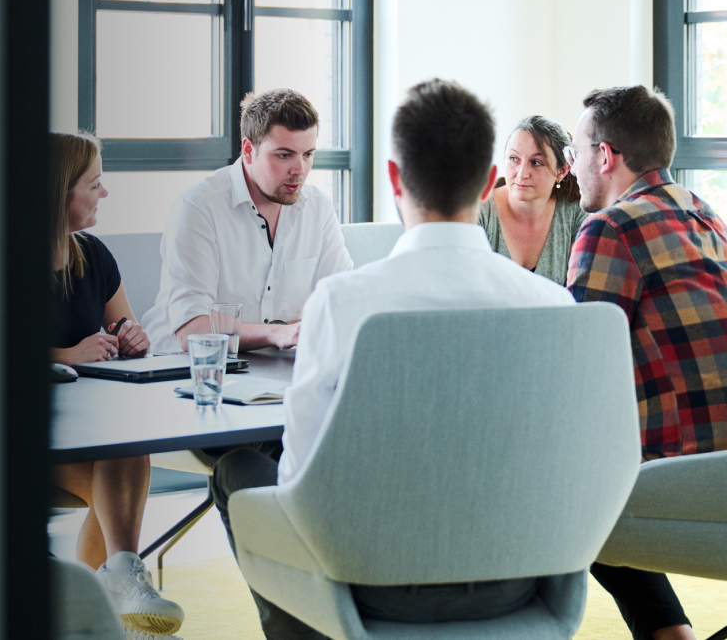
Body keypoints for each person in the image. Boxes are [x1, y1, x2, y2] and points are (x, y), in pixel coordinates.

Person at [209, 79, 577, 640]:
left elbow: (300, 477)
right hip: (519, 579)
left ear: (394, 178)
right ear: (487, 183)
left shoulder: (345, 302)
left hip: (370, 588)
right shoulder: (556, 305)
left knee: (238, 468)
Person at [564, 86, 727, 640]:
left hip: (710, 474)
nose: (570, 170)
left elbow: (572, 372)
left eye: (575, 153)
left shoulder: (610, 227)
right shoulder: (706, 215)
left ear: (606, 155)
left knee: (564, 484)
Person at [47, 131, 185, 639]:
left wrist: (132, 339)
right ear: (61, 193)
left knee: (127, 440)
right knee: (118, 479)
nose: (104, 194)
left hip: (93, 431)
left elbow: (124, 329)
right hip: (33, 438)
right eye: (95, 184)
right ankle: (116, 587)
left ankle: (114, 586)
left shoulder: (94, 256)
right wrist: (64, 355)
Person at [141, 89, 353, 353]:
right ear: (248, 150)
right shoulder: (198, 208)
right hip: (183, 369)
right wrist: (278, 333)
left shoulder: (318, 208)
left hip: (272, 369)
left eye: (308, 154)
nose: (300, 170)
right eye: (284, 155)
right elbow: (192, 329)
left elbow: (342, 301)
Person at [477, 115, 590, 285]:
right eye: (514, 159)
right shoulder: (480, 209)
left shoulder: (575, 213)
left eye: (536, 162)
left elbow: (581, 291)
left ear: (562, 171)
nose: (522, 174)